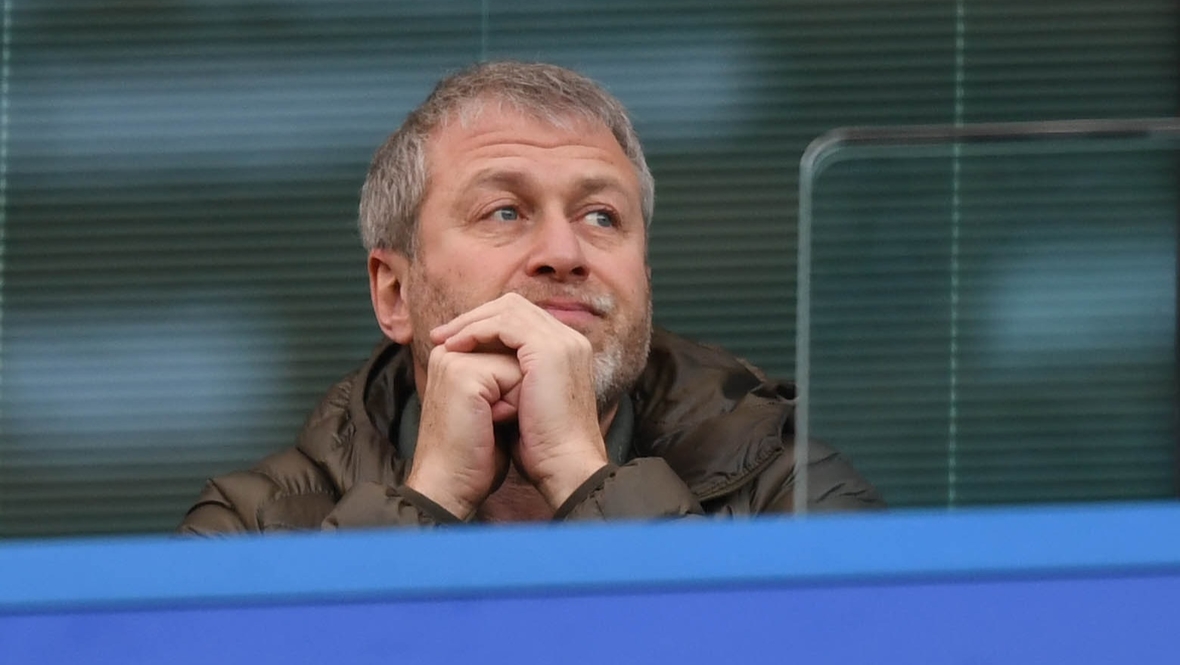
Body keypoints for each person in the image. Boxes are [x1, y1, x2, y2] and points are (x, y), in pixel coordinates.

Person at [179, 61, 882, 534]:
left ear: (644, 277)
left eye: (601, 216)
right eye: (505, 211)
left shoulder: (794, 492)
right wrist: (428, 498)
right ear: (395, 293)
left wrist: (583, 473)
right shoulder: (254, 525)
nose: (564, 252)